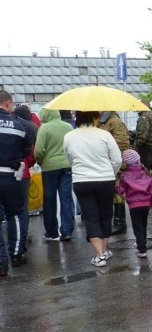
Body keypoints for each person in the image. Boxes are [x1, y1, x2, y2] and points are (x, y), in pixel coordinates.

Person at [63, 111, 122, 267]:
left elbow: (68, 157)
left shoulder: (69, 136)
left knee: (90, 216)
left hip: (82, 181)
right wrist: (111, 173)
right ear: (94, 118)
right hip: (105, 180)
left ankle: (99, 255)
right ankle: (103, 250)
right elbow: (117, 159)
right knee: (105, 214)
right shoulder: (104, 135)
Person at [0, 91, 35, 274]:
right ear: (7, 103)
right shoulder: (20, 125)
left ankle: (0, 262)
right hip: (9, 176)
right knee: (15, 215)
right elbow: (26, 151)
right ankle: (16, 254)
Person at [34, 108, 75, 241]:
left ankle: (52, 232)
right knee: (66, 198)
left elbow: (38, 150)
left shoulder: (44, 128)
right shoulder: (68, 126)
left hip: (49, 167)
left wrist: (41, 162)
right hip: (66, 166)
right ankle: (67, 230)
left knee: (49, 200)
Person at [115, 148, 152, 258]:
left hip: (134, 206)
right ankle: (141, 243)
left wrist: (114, 186)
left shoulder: (125, 176)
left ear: (126, 164)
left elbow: (120, 191)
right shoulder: (146, 174)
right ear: (139, 160)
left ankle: (142, 250)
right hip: (146, 204)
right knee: (143, 225)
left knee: (137, 227)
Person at [11, 104, 39, 260]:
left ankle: (13, 246)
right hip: (24, 171)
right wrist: (29, 163)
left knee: (10, 213)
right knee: (22, 209)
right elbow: (32, 152)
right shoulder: (31, 126)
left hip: (8, 172)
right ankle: (20, 245)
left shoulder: (14, 125)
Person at [98, 111, 130, 233]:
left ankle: (120, 222)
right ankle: (116, 221)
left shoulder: (114, 121)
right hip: (108, 162)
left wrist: (114, 159)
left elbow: (122, 143)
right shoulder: (104, 121)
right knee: (113, 192)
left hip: (116, 163)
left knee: (118, 192)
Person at [134, 101, 152, 184]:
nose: (137, 109)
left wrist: (137, 146)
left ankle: (145, 188)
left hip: (147, 147)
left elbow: (143, 135)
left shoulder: (144, 117)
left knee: (144, 168)